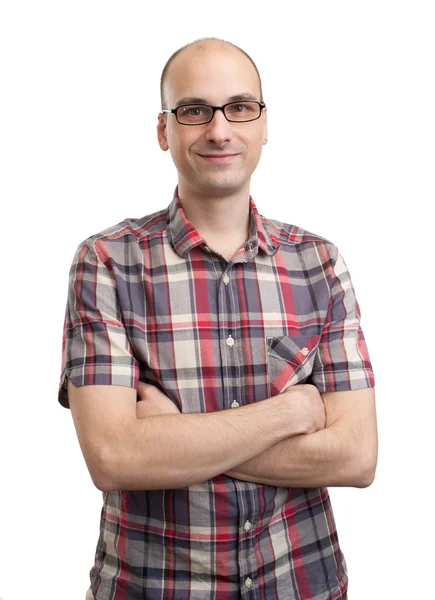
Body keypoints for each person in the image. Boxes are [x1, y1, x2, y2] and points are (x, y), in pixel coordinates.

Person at [58, 37, 377, 600]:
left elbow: (356, 455)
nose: (220, 129)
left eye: (239, 107)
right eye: (194, 111)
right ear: (164, 130)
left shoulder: (319, 264)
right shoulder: (106, 262)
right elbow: (112, 458)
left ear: (263, 124)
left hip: (301, 584)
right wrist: (292, 411)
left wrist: (171, 439)